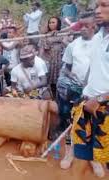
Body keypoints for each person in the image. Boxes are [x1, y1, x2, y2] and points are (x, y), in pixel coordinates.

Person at [57, 12, 104, 177]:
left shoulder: (101, 43)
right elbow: (65, 68)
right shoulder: (73, 45)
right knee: (73, 122)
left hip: (98, 92)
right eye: (81, 25)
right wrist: (71, 77)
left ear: (94, 26)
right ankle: (69, 153)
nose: (82, 29)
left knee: (95, 126)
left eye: (86, 25)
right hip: (77, 90)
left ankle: (95, 159)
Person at [71, 1, 109, 179]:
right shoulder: (99, 37)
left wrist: (100, 99)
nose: (98, 11)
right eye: (97, 7)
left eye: (105, 5)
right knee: (82, 156)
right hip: (87, 107)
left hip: (104, 109)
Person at [40, 17, 70, 97]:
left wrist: (60, 36)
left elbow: (67, 44)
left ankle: (59, 98)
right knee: (50, 81)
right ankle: (53, 98)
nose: (51, 24)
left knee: (60, 81)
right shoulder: (46, 35)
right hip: (50, 60)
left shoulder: (62, 34)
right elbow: (43, 49)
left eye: (53, 22)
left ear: (58, 24)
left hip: (60, 59)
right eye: (50, 22)